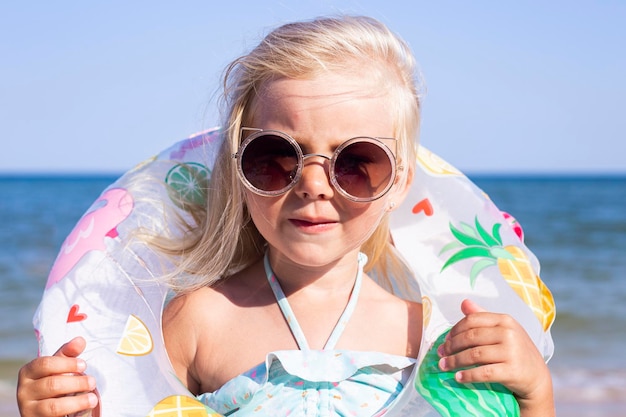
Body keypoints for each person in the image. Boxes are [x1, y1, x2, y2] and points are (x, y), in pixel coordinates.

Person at [16, 15, 554, 417]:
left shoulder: (423, 331)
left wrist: (535, 391)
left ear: (400, 185)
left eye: (356, 163)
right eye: (274, 159)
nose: (314, 186)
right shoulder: (200, 321)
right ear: (238, 174)